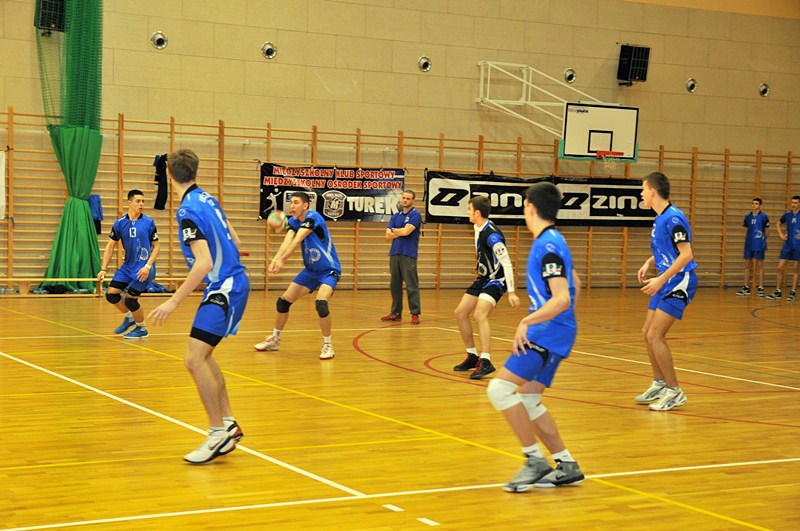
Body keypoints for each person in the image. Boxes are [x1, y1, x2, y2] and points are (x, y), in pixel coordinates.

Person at [147, 149, 249, 464]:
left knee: (193, 359)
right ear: (195, 171)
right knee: (202, 356)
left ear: (169, 175)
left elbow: (204, 262)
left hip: (225, 287)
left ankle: (217, 433)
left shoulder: (188, 210)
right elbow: (234, 238)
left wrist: (172, 301)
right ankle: (228, 424)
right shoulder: (207, 198)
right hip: (229, 283)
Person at [489, 182, 584, 492]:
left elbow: (563, 298)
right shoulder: (555, 240)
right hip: (557, 331)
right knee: (528, 400)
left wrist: (528, 321)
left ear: (530, 207)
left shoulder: (547, 245)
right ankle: (566, 464)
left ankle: (534, 460)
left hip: (546, 332)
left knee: (499, 390)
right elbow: (575, 284)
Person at [636, 172, 698, 411]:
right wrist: (649, 262)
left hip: (679, 281)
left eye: (643, 190)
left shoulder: (674, 218)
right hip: (665, 280)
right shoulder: (660, 217)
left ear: (652, 192)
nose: (641, 194)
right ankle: (659, 383)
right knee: (646, 332)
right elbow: (667, 249)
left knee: (655, 335)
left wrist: (661, 279)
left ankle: (674, 391)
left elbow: (686, 254)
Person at [254, 191, 342, 360]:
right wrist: (276, 259)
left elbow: (297, 240)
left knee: (321, 303)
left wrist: (283, 260)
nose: (292, 206)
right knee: (283, 302)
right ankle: (275, 339)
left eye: (296, 202)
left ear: (305, 205)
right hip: (310, 271)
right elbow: (287, 241)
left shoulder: (313, 217)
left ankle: (328, 344)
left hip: (328, 270)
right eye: (291, 203)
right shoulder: (294, 222)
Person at [453, 196, 520, 380]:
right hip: (483, 278)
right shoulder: (477, 226)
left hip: (497, 280)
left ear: (477, 213)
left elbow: (507, 264)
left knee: (480, 314)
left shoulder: (493, 236)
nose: (467, 212)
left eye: (469, 209)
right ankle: (472, 355)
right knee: (460, 313)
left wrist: (512, 292)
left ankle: (486, 360)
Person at [98, 189, 160, 339]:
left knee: (131, 300)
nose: (141, 204)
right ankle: (129, 317)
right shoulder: (120, 223)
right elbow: (110, 246)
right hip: (127, 266)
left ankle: (142, 328)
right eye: (138, 201)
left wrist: (147, 266)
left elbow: (157, 247)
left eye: (143, 201)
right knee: (111, 295)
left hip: (143, 268)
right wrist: (103, 269)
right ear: (129, 203)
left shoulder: (149, 222)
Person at [381, 190, 422, 324]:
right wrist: (399, 231)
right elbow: (387, 236)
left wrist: (394, 230)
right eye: (403, 198)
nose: (405, 200)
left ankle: (415, 313)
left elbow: (406, 232)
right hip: (394, 253)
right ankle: (396, 312)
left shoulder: (415, 215)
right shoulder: (396, 215)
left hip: (408, 254)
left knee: (411, 285)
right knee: (395, 285)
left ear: (413, 200)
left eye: (408, 198)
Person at [766, 195, 800, 301]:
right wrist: (780, 234)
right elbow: (778, 223)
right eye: (792, 202)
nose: (793, 204)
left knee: (795, 269)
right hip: (787, 244)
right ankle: (778, 291)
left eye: (796, 202)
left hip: (798, 245)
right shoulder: (787, 215)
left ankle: (793, 292)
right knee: (780, 268)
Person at [736, 198, 769, 297]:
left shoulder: (764, 217)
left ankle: (761, 287)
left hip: (759, 244)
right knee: (747, 265)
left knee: (760, 266)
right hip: (749, 244)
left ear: (760, 205)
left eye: (756, 204)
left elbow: (767, 231)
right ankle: (746, 287)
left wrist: (762, 240)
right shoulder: (748, 217)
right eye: (753, 203)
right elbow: (747, 230)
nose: (754, 205)